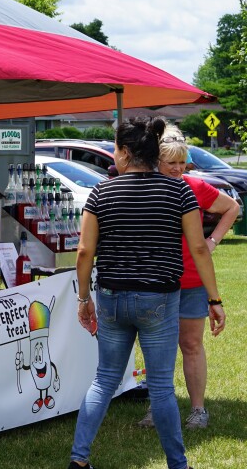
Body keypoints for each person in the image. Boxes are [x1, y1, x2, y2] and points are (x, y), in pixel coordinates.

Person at [69, 117, 224, 469]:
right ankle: (177, 463)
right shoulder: (179, 191)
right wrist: (214, 299)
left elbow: (83, 251)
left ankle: (79, 458)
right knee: (162, 388)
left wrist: (82, 299)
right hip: (160, 300)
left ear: (124, 153)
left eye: (114, 147)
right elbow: (199, 248)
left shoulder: (101, 192)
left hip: (111, 297)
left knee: (103, 380)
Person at [137, 126, 235, 430]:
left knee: (191, 344)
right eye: (172, 164)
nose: (179, 169)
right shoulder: (144, 187)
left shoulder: (194, 186)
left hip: (191, 279)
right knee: (157, 346)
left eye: (183, 163)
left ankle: (197, 410)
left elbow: (232, 208)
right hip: (155, 279)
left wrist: (212, 241)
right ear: (156, 162)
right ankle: (157, 407)